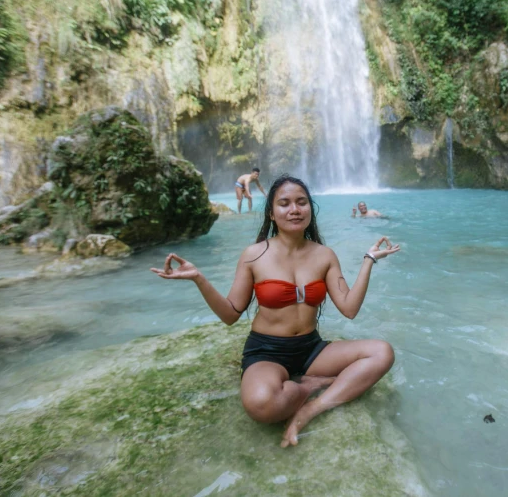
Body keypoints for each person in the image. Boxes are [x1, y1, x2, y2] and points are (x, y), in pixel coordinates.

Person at [151, 174, 400, 447]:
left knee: (382, 352)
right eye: (285, 203)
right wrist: (199, 279)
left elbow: (349, 309)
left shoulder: (324, 255)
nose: (294, 209)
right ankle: (308, 386)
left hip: (311, 349)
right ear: (271, 213)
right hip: (266, 351)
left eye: (301, 202)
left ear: (310, 209)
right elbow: (231, 314)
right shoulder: (254, 254)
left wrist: (369, 260)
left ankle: (310, 409)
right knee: (261, 405)